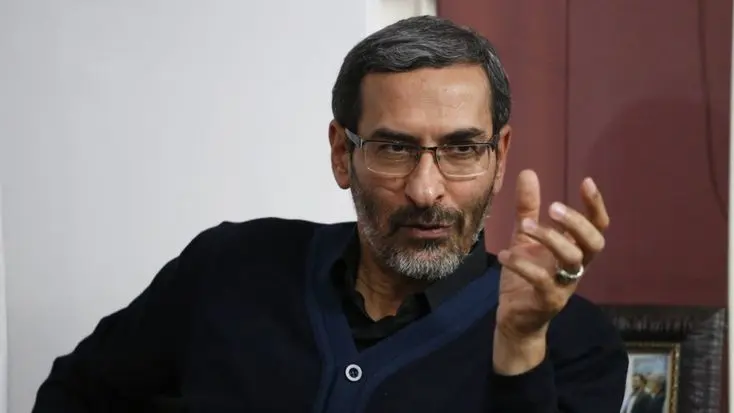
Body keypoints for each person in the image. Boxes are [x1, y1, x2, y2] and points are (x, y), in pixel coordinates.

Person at [32, 15, 628, 412]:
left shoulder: (573, 342)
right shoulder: (229, 268)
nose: (426, 189)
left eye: (460, 150)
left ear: (499, 158)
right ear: (342, 154)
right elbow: (74, 396)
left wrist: (521, 346)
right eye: (393, 148)